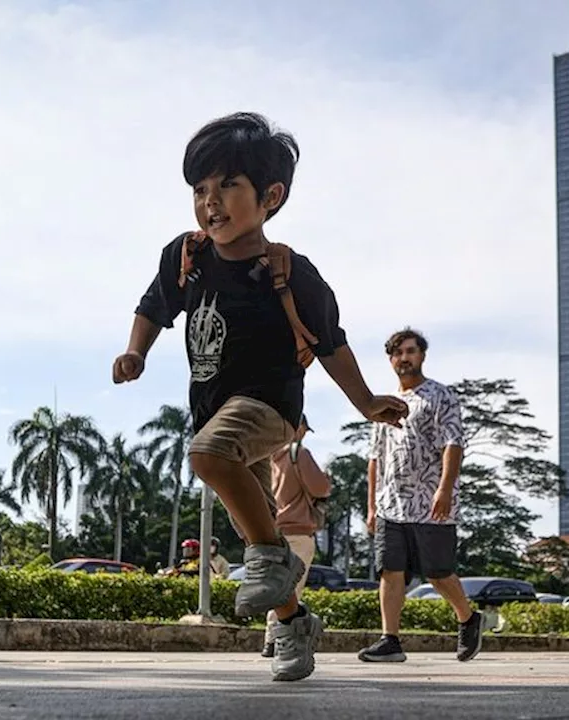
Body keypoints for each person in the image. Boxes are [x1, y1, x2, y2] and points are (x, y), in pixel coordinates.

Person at [112, 111, 408, 681]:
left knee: (207, 456)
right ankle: (294, 623)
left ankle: (270, 565)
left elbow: (331, 345)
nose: (210, 201)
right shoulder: (187, 258)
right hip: (216, 409)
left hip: (272, 407)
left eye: (227, 185)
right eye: (200, 189)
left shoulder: (290, 273)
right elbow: (153, 306)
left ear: (270, 196)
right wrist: (137, 352)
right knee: (238, 499)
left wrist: (367, 400)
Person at [359, 328, 482, 664]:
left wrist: (445, 488)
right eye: (398, 353)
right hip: (391, 504)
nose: (404, 358)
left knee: (438, 573)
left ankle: (468, 618)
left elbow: (453, 443)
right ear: (390, 360)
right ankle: (390, 640)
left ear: (422, 355)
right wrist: (372, 506)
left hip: (431, 503)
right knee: (390, 569)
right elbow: (375, 458)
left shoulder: (440, 396)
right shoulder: (382, 406)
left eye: (410, 351)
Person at [261, 414, 331, 658]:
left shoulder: (265, 456)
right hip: (298, 531)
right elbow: (320, 488)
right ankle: (277, 638)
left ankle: (271, 638)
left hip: (270, 530)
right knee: (291, 588)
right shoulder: (298, 453)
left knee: (277, 585)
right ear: (297, 427)